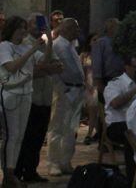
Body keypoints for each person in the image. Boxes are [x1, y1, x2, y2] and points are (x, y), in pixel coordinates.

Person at [1, 16, 56, 187]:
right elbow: (11, 67)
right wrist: (32, 50)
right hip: (11, 95)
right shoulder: (4, 46)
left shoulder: (25, 46)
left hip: (26, 95)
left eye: (25, 28)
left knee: (19, 136)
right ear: (12, 29)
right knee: (11, 136)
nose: (24, 31)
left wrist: (49, 42)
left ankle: (12, 173)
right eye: (20, 28)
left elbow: (44, 60)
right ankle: (9, 174)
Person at [46, 18, 83, 176]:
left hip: (76, 91)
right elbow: (53, 72)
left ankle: (65, 161)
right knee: (57, 128)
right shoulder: (57, 46)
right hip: (65, 91)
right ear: (67, 29)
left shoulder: (70, 46)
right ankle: (53, 163)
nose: (78, 31)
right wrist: (63, 90)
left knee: (70, 129)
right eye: (75, 28)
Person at [103, 54, 136, 180]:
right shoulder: (116, 84)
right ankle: (133, 177)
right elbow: (115, 103)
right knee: (131, 135)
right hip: (117, 124)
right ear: (127, 67)